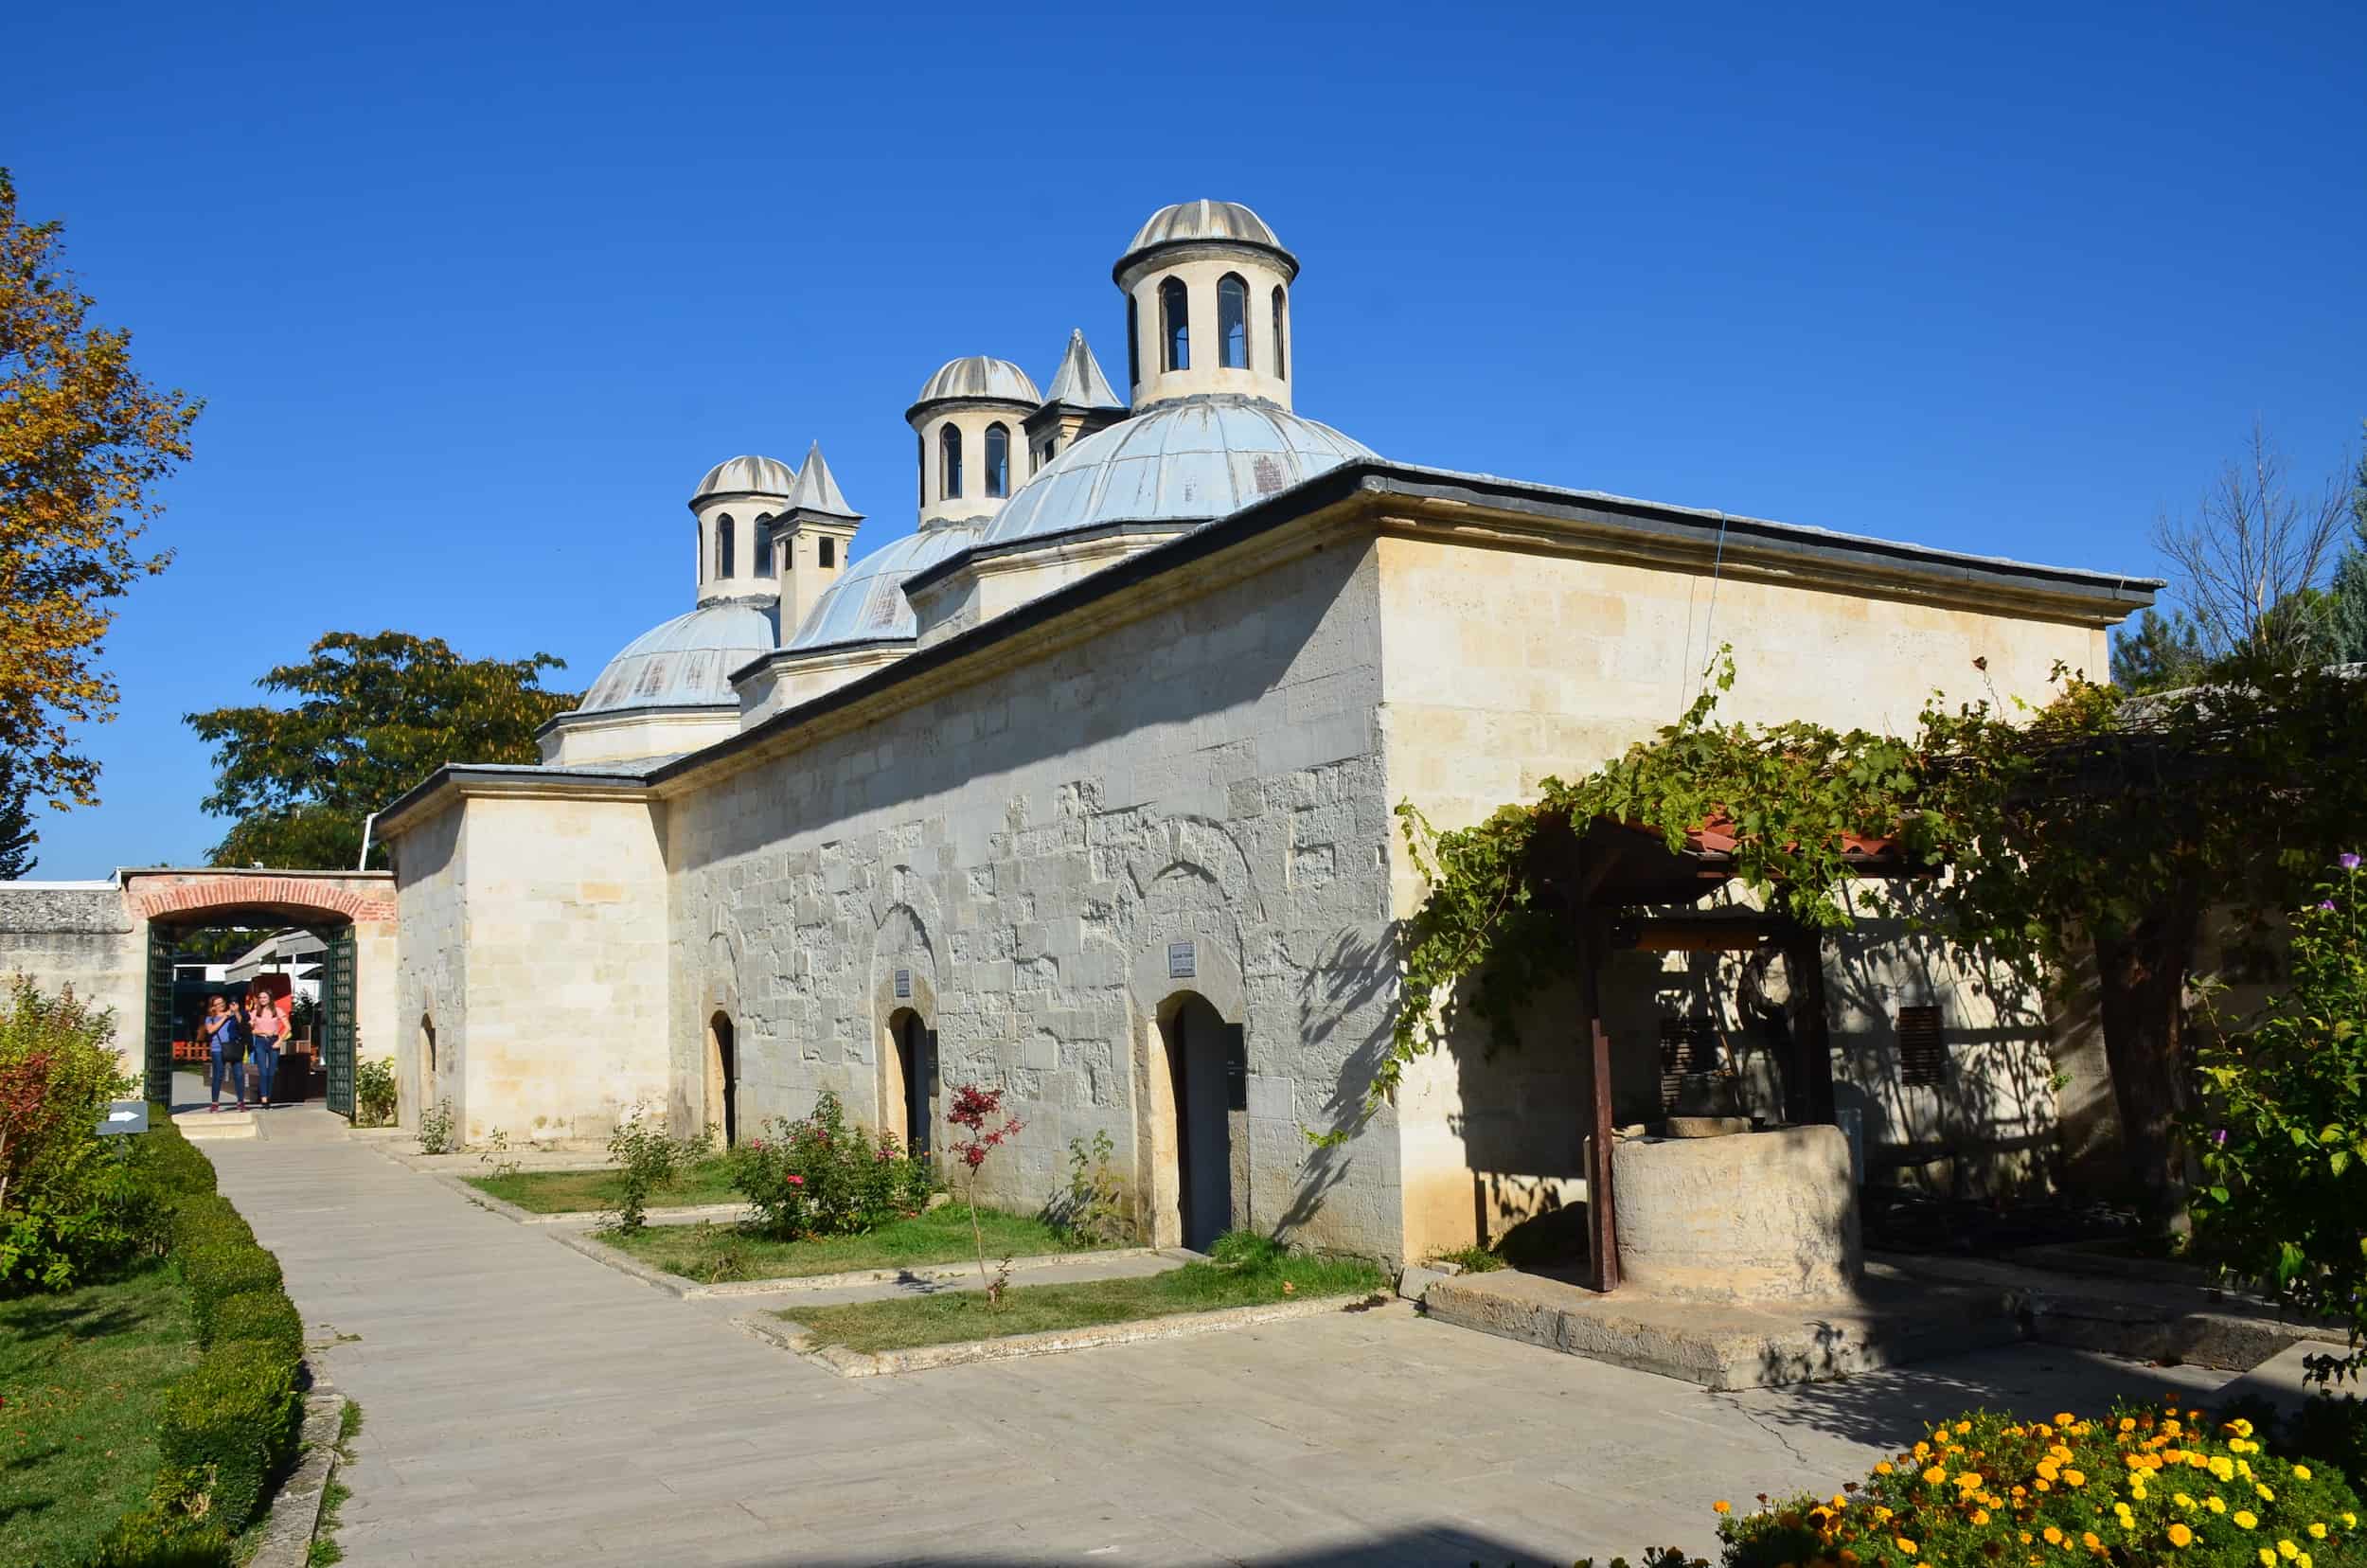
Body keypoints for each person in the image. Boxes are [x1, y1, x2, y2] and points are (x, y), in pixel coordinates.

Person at [245, 985, 288, 1109]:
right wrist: (256, 1029)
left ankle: (268, 1096)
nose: (262, 999)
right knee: (263, 1071)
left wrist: (280, 1040)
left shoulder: (277, 1011)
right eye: (260, 997)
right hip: (260, 1041)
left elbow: (288, 1027)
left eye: (265, 997)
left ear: (270, 998)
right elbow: (249, 1030)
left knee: (271, 1071)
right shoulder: (255, 1012)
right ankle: (264, 1098)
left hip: (274, 1041)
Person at [203, 994, 245, 1112]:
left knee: (239, 1075)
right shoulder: (210, 1018)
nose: (221, 1005)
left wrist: (235, 1012)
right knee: (218, 1076)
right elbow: (211, 1030)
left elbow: (241, 1024)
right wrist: (224, 1017)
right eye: (218, 1004)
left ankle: (240, 1102)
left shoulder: (232, 1015)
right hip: (218, 1049)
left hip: (234, 1047)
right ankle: (215, 1103)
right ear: (213, 1007)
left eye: (222, 1002)